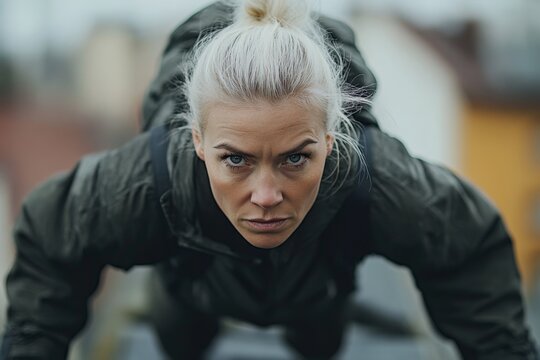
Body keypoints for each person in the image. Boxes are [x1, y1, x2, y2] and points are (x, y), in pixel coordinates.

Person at [1, 1, 538, 359]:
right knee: (178, 340)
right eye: (235, 160)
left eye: (294, 160)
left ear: (330, 142)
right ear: (197, 143)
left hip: (319, 289)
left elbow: (471, 247)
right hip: (191, 288)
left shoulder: (379, 184)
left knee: (320, 341)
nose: (265, 196)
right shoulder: (143, 183)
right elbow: (51, 238)